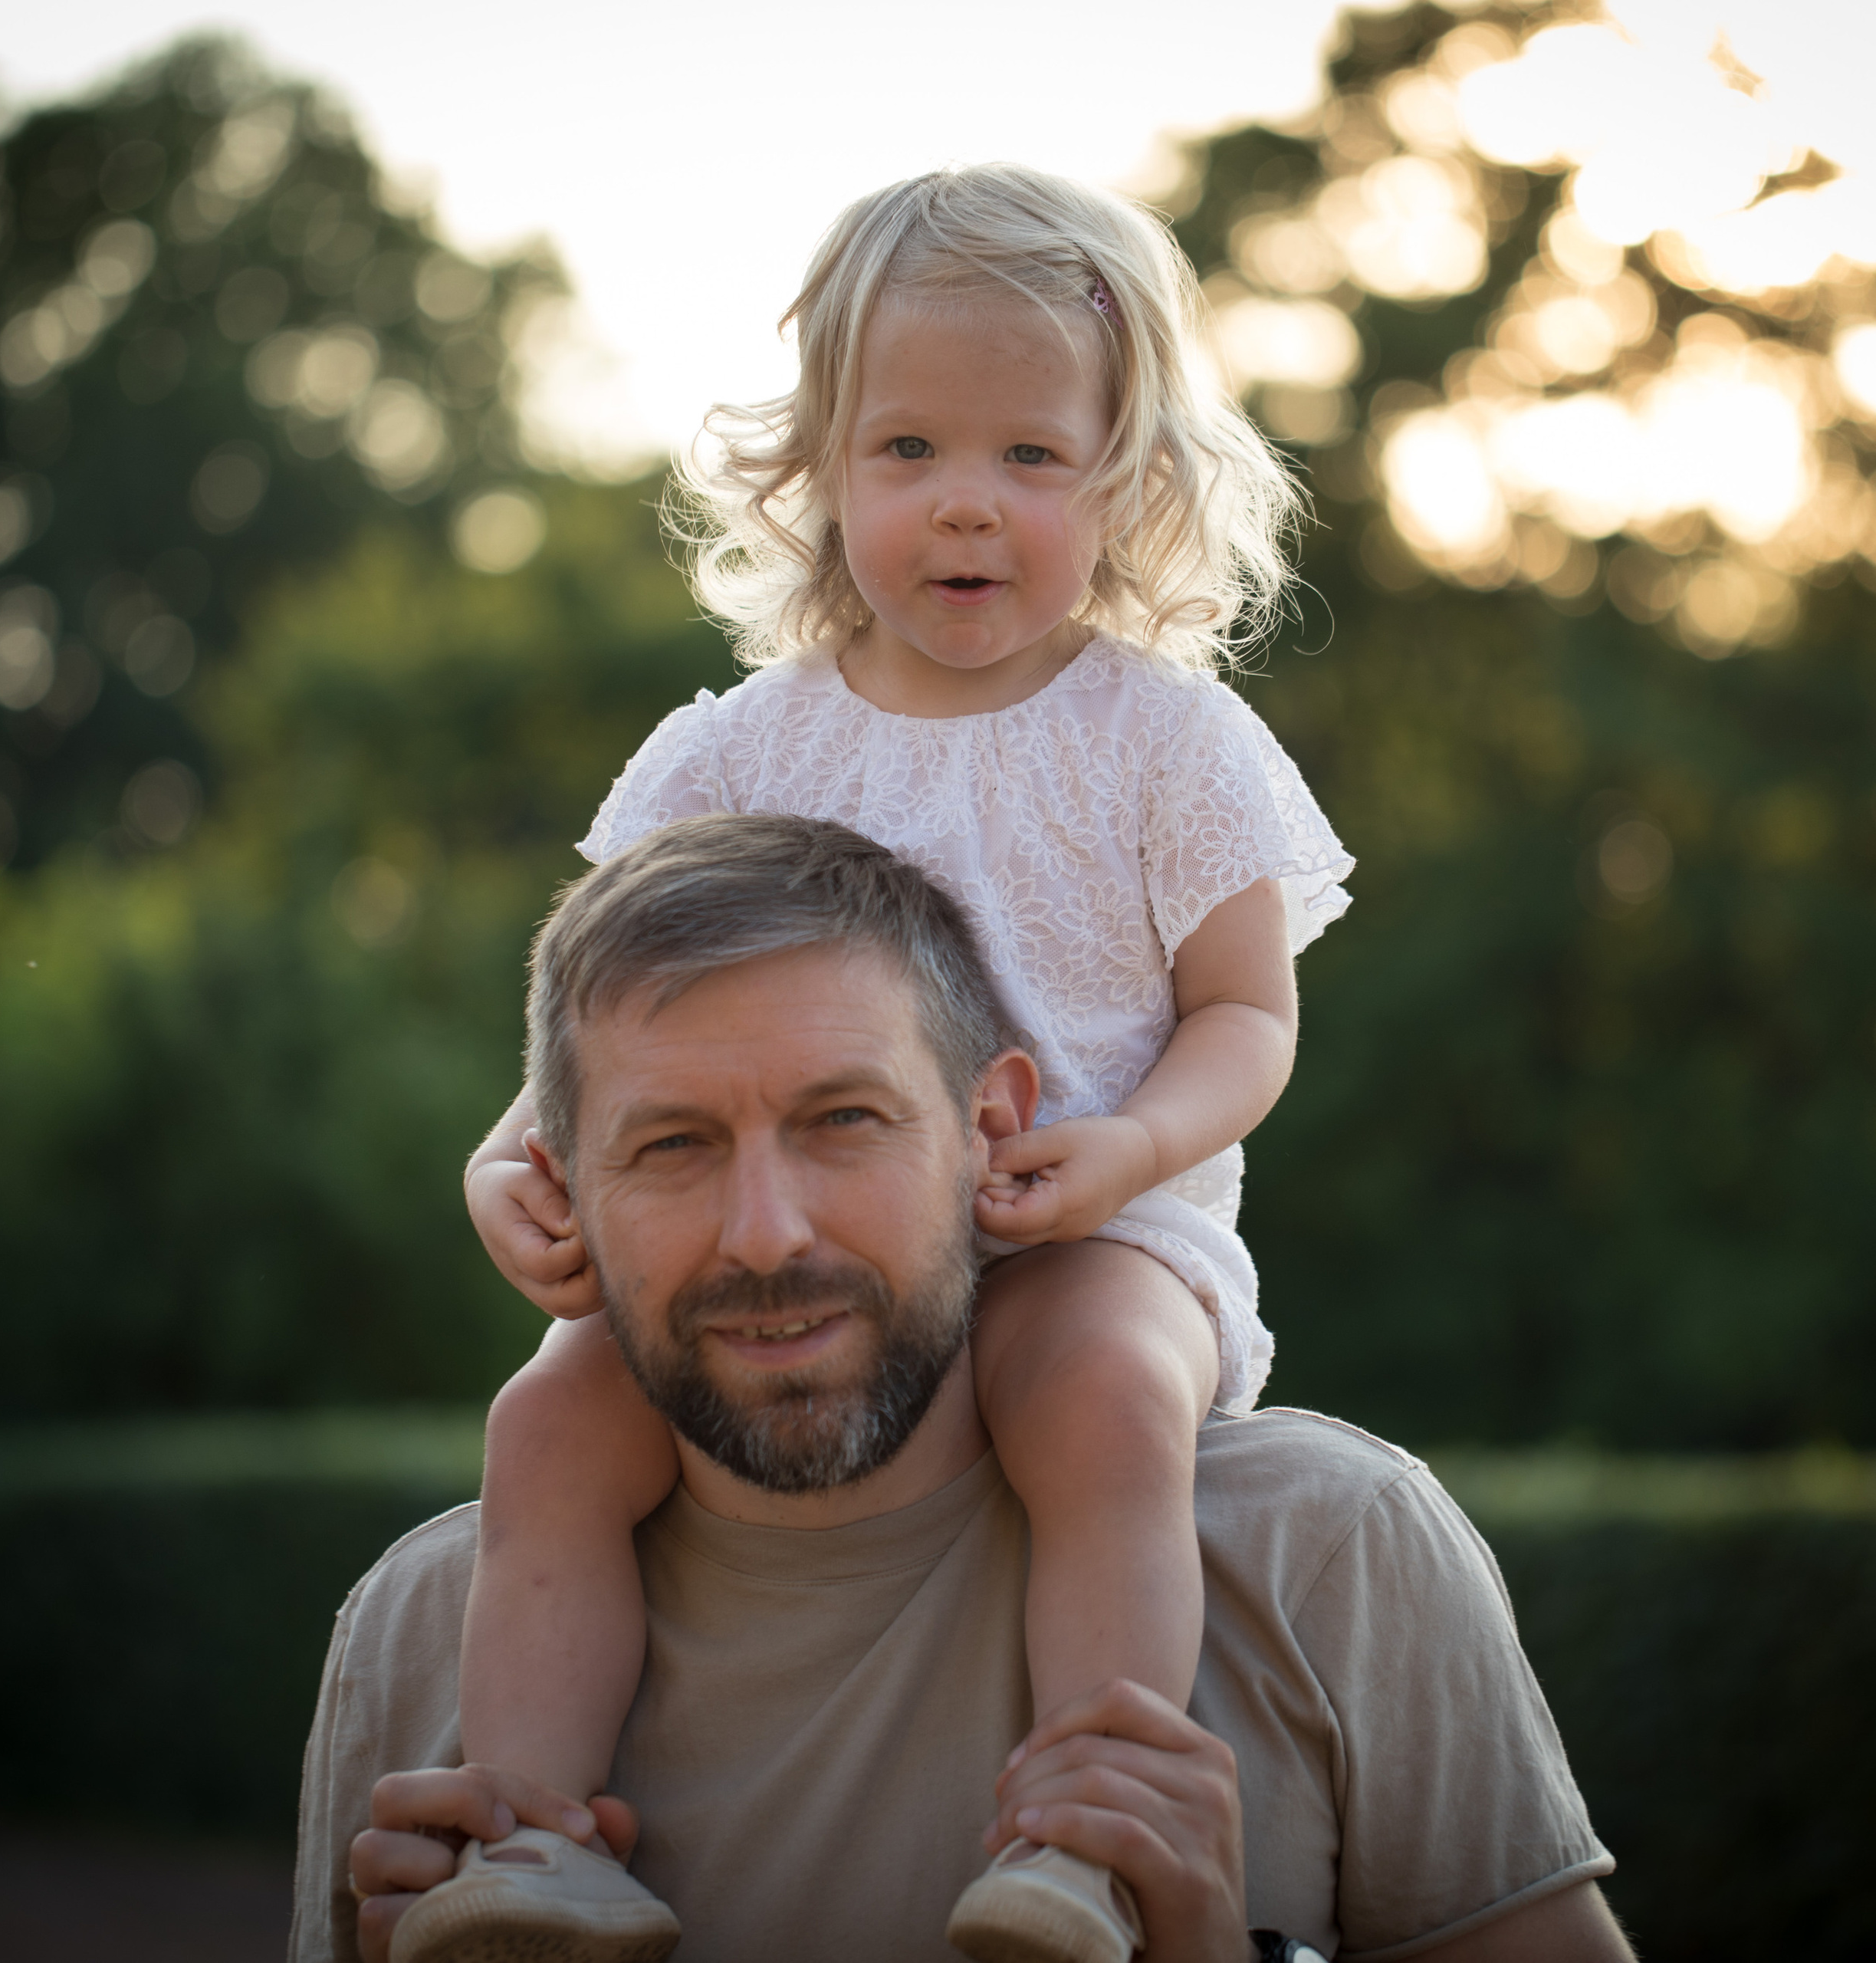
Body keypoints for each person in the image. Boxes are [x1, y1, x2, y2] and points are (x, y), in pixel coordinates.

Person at [442, 162, 1355, 1963]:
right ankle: (527, 1842)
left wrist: (1129, 1149)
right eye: (907, 451)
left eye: (1032, 458)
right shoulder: (733, 750)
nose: (966, 506)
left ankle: (1082, 1836)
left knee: (1095, 1395)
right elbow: (607, 1012)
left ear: (1126, 476)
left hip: (1095, 1224)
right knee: (548, 1414)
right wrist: (510, 1155)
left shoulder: (1166, 744)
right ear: (817, 472)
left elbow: (1248, 1013)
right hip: (798, 1255)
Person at [294, 816, 1632, 1963]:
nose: (766, 1233)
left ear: (991, 1129)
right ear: (560, 1180)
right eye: (672, 1144)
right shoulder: (418, 1632)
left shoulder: (1331, 1555)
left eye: (846, 1121)